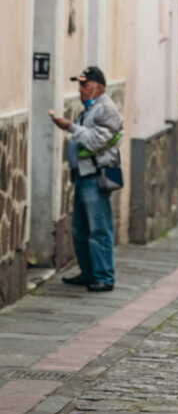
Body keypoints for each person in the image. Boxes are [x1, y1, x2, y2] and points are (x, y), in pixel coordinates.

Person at [49, 66, 123, 292]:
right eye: (79, 84)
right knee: (80, 230)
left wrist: (70, 127)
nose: (80, 89)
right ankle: (89, 273)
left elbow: (95, 142)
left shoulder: (106, 109)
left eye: (84, 84)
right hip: (83, 175)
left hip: (95, 176)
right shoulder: (91, 109)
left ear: (97, 87)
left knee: (99, 229)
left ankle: (104, 276)